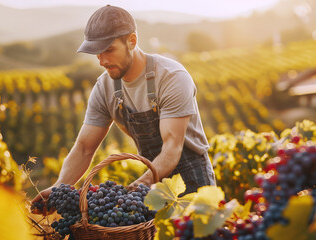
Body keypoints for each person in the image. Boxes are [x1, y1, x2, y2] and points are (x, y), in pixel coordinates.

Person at [32, 5, 215, 204]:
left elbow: (172, 147)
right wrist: (60, 187)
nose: (102, 61)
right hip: (153, 187)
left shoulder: (171, 77)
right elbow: (84, 147)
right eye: (97, 53)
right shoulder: (104, 88)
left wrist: (141, 185)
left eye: (109, 50)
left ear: (132, 41)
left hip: (193, 183)